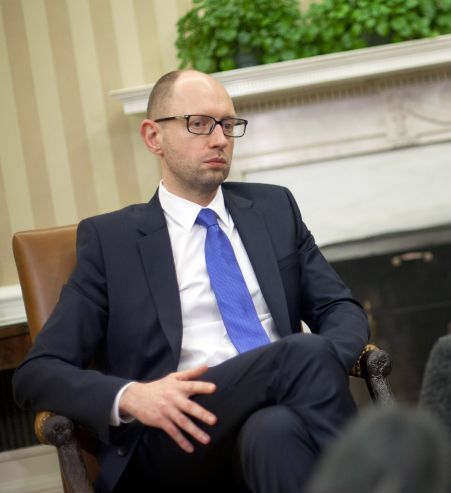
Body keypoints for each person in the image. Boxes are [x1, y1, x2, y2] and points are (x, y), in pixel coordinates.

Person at [13, 69, 369, 493]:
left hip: (280, 408)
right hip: (174, 434)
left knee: (274, 430)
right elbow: (36, 374)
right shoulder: (114, 242)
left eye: (229, 125)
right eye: (198, 124)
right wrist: (130, 396)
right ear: (153, 137)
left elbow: (339, 308)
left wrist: (320, 363)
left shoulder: (274, 208)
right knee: (300, 353)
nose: (219, 139)